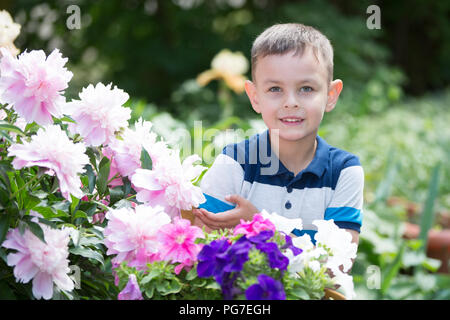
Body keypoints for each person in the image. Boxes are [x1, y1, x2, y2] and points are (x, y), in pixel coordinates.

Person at [193, 23, 363, 245]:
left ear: (330, 95)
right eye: (275, 89)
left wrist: (259, 226)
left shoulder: (344, 172)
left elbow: (337, 267)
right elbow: (201, 252)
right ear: (254, 96)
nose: (290, 102)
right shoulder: (233, 163)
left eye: (306, 89)